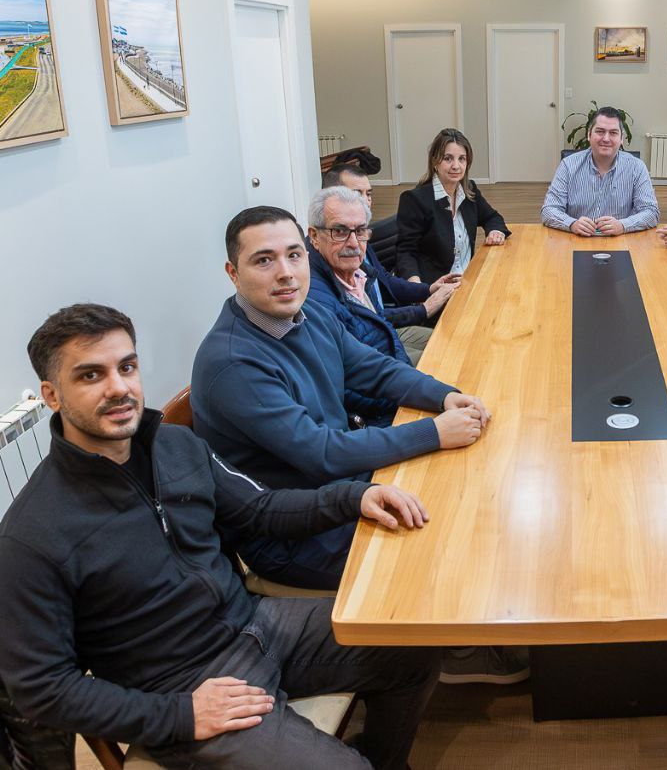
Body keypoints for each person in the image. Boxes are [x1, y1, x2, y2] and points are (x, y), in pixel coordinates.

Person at [0, 304, 439, 769]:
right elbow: (43, 690)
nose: (119, 387)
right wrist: (180, 715)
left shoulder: (174, 445)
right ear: (52, 395)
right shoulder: (30, 537)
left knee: (413, 646)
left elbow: (259, 509)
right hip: (181, 685)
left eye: (126, 367)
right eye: (91, 375)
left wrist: (353, 497)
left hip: (255, 621)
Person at [192, 206, 489, 591]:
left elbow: (375, 370)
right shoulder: (232, 364)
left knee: (469, 496)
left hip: (345, 486)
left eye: (294, 255)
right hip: (298, 532)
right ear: (233, 273)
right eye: (264, 260)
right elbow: (321, 452)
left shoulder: (308, 313)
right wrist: (434, 432)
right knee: (451, 550)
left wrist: (445, 395)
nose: (285, 272)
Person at [306, 183, 456, 413]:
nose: (353, 243)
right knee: (450, 367)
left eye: (360, 231)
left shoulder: (357, 270)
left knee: (455, 349)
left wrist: (427, 290)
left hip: (392, 365)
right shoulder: (316, 301)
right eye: (340, 231)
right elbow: (348, 386)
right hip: (386, 406)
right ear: (315, 237)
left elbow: (380, 317)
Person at [395, 127, 510, 285]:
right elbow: (406, 253)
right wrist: (417, 287)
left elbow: (492, 217)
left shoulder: (469, 190)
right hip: (436, 287)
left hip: (468, 279)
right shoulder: (415, 199)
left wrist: (495, 231)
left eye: (461, 159)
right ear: (435, 162)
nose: (456, 166)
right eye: (448, 158)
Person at [542, 106, 659, 235]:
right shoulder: (568, 165)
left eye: (613, 133)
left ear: (621, 139)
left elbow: (651, 212)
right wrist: (572, 224)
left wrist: (623, 225)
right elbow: (549, 209)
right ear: (589, 135)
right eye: (600, 131)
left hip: (620, 240)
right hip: (577, 239)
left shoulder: (637, 167)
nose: (606, 139)